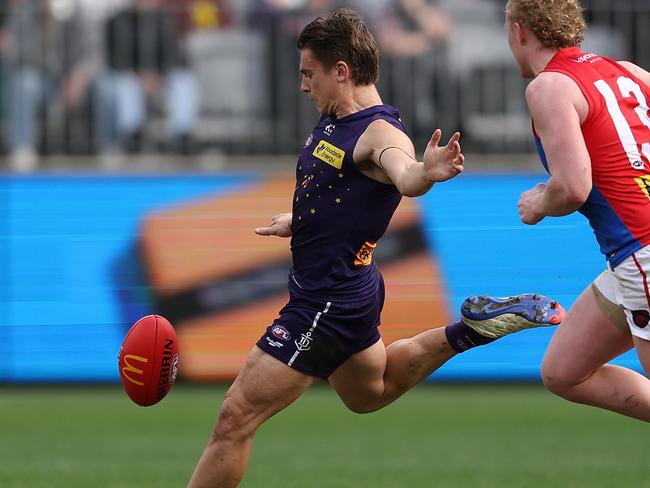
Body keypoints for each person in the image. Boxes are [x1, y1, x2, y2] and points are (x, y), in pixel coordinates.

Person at [187, 9, 566, 487]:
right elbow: (336, 190)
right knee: (371, 392)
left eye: (309, 74)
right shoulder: (335, 120)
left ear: (341, 71)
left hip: (324, 303)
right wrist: (300, 221)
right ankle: (471, 329)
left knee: (234, 419)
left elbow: (405, 176)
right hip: (351, 288)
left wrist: (426, 172)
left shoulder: (380, 133)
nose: (304, 86)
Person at [504, 0, 650, 421]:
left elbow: (572, 187)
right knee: (564, 371)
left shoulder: (549, 86)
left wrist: (538, 202)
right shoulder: (627, 71)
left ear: (519, 31)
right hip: (630, 258)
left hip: (641, 250)